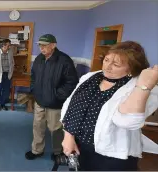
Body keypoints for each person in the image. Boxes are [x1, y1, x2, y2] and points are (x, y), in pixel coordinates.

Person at [61, 41, 158, 171]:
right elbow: (69, 107)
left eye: (116, 64)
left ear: (131, 68)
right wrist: (68, 136)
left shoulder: (145, 89)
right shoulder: (90, 77)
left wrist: (143, 86)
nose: (108, 66)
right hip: (79, 145)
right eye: (106, 60)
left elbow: (127, 121)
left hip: (113, 155)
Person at [26, 34, 79, 160]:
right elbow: (33, 77)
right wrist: (35, 90)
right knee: (37, 126)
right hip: (39, 101)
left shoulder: (64, 60)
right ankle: (37, 150)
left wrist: (56, 96)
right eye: (40, 45)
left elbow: (71, 83)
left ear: (53, 45)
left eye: (45, 45)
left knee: (55, 130)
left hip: (55, 103)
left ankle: (58, 152)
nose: (42, 48)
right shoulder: (39, 59)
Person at [0, 39, 14, 111]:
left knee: (6, 91)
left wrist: (11, 72)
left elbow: (12, 62)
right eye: (8, 45)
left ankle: (3, 104)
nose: (9, 47)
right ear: (3, 45)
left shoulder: (10, 52)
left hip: (7, 75)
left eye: (10, 45)